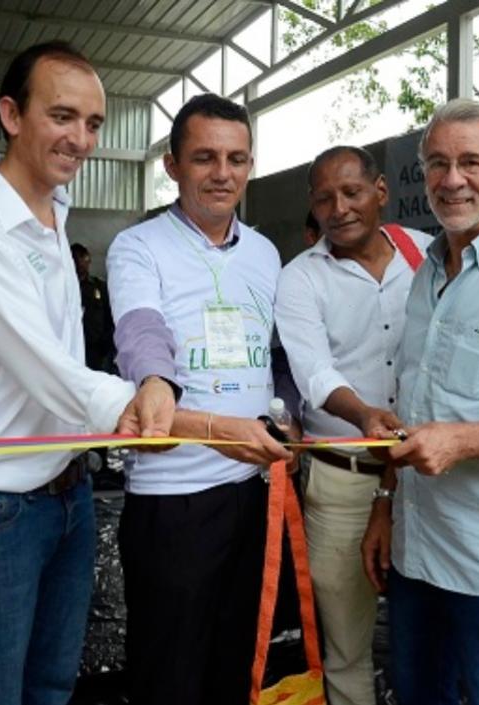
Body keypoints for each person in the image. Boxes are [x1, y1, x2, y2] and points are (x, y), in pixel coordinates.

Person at [0, 41, 177, 705]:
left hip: (67, 493)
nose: (81, 138)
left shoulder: (52, 213)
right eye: (63, 116)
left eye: (93, 123)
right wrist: (174, 408)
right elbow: (53, 372)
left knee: (52, 688)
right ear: (11, 113)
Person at [106, 93, 293, 705]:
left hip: (253, 493)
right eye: (205, 157)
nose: (222, 173)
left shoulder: (265, 254)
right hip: (174, 501)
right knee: (170, 676)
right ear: (172, 164)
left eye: (237, 159)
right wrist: (155, 381)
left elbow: (276, 356)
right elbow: (140, 328)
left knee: (236, 667)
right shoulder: (139, 247)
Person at [360, 99, 479, 704]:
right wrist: (384, 503)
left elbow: (449, 431)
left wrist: (465, 441)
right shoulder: (426, 271)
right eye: (437, 163)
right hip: (415, 556)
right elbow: (415, 406)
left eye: (471, 162)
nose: (452, 179)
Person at [274, 145, 431, 705]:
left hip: (427, 477)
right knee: (345, 645)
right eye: (324, 199)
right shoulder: (299, 279)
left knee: (430, 636)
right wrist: (364, 415)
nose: (339, 208)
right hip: (342, 480)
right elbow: (312, 371)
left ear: (381, 191)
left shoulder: (428, 256)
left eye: (352, 192)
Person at [71, 242, 117, 372]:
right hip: (74, 345)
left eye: (84, 258)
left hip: (98, 350)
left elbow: (110, 315)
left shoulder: (98, 286)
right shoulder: (64, 286)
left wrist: (107, 343)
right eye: (76, 258)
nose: (81, 263)